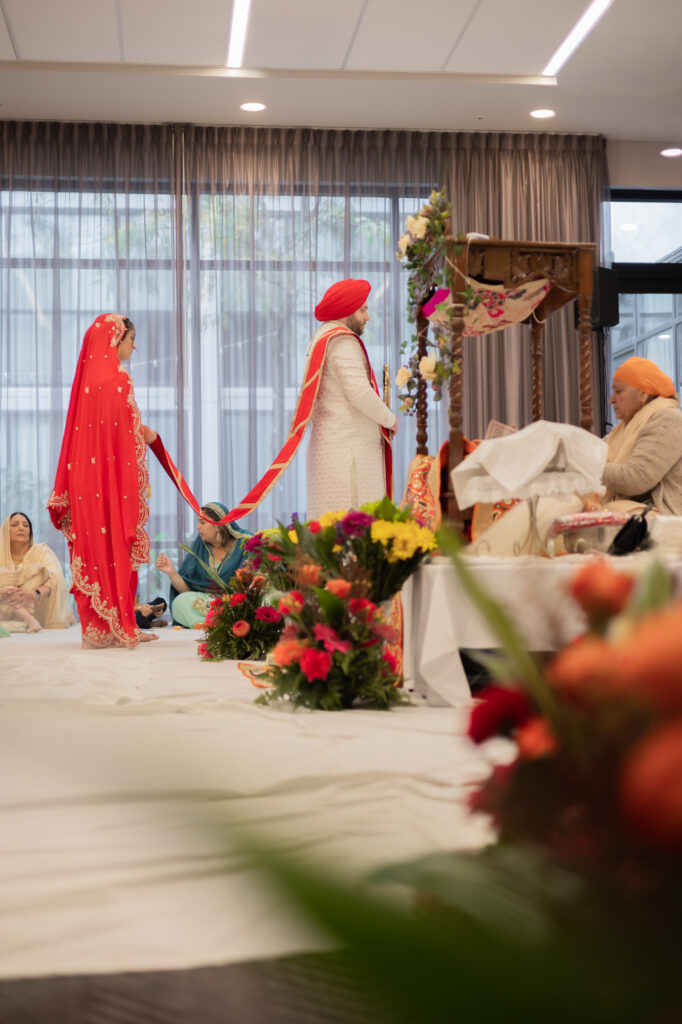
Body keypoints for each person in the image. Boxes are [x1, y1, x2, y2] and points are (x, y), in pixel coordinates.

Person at [48, 314, 159, 649]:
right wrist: (145, 434)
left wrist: (136, 432)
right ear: (115, 339)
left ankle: (97, 630)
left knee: (93, 549)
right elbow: (122, 437)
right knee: (119, 545)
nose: (134, 346)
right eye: (131, 339)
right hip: (109, 482)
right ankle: (121, 624)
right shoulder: (118, 379)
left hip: (84, 482)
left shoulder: (87, 383)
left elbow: (103, 435)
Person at [305, 279, 397, 518]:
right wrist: (389, 419)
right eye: (362, 310)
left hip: (334, 446)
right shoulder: (343, 342)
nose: (368, 317)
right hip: (350, 454)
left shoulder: (322, 337)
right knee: (354, 528)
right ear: (347, 311)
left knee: (331, 529)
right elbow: (359, 391)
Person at [601, 356, 682, 516]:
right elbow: (593, 453)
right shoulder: (625, 427)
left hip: (664, 521)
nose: (611, 400)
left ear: (643, 393)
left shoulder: (668, 419)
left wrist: (587, 467)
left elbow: (636, 479)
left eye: (619, 391)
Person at [156, 502, 251, 627]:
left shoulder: (245, 542)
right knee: (180, 602)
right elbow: (187, 590)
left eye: (202, 522)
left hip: (236, 604)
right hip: (209, 605)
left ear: (218, 525)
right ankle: (220, 625)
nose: (197, 527)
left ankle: (219, 623)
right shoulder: (200, 545)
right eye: (198, 522)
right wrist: (171, 572)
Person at [0, 511, 76, 633]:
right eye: (14, 525)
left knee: (38, 570)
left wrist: (33, 593)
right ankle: (25, 616)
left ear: (30, 532)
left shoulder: (41, 551)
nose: (21, 528)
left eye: (25, 525)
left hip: (39, 606)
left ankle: (27, 617)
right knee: (5, 580)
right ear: (5, 531)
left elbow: (55, 579)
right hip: (7, 609)